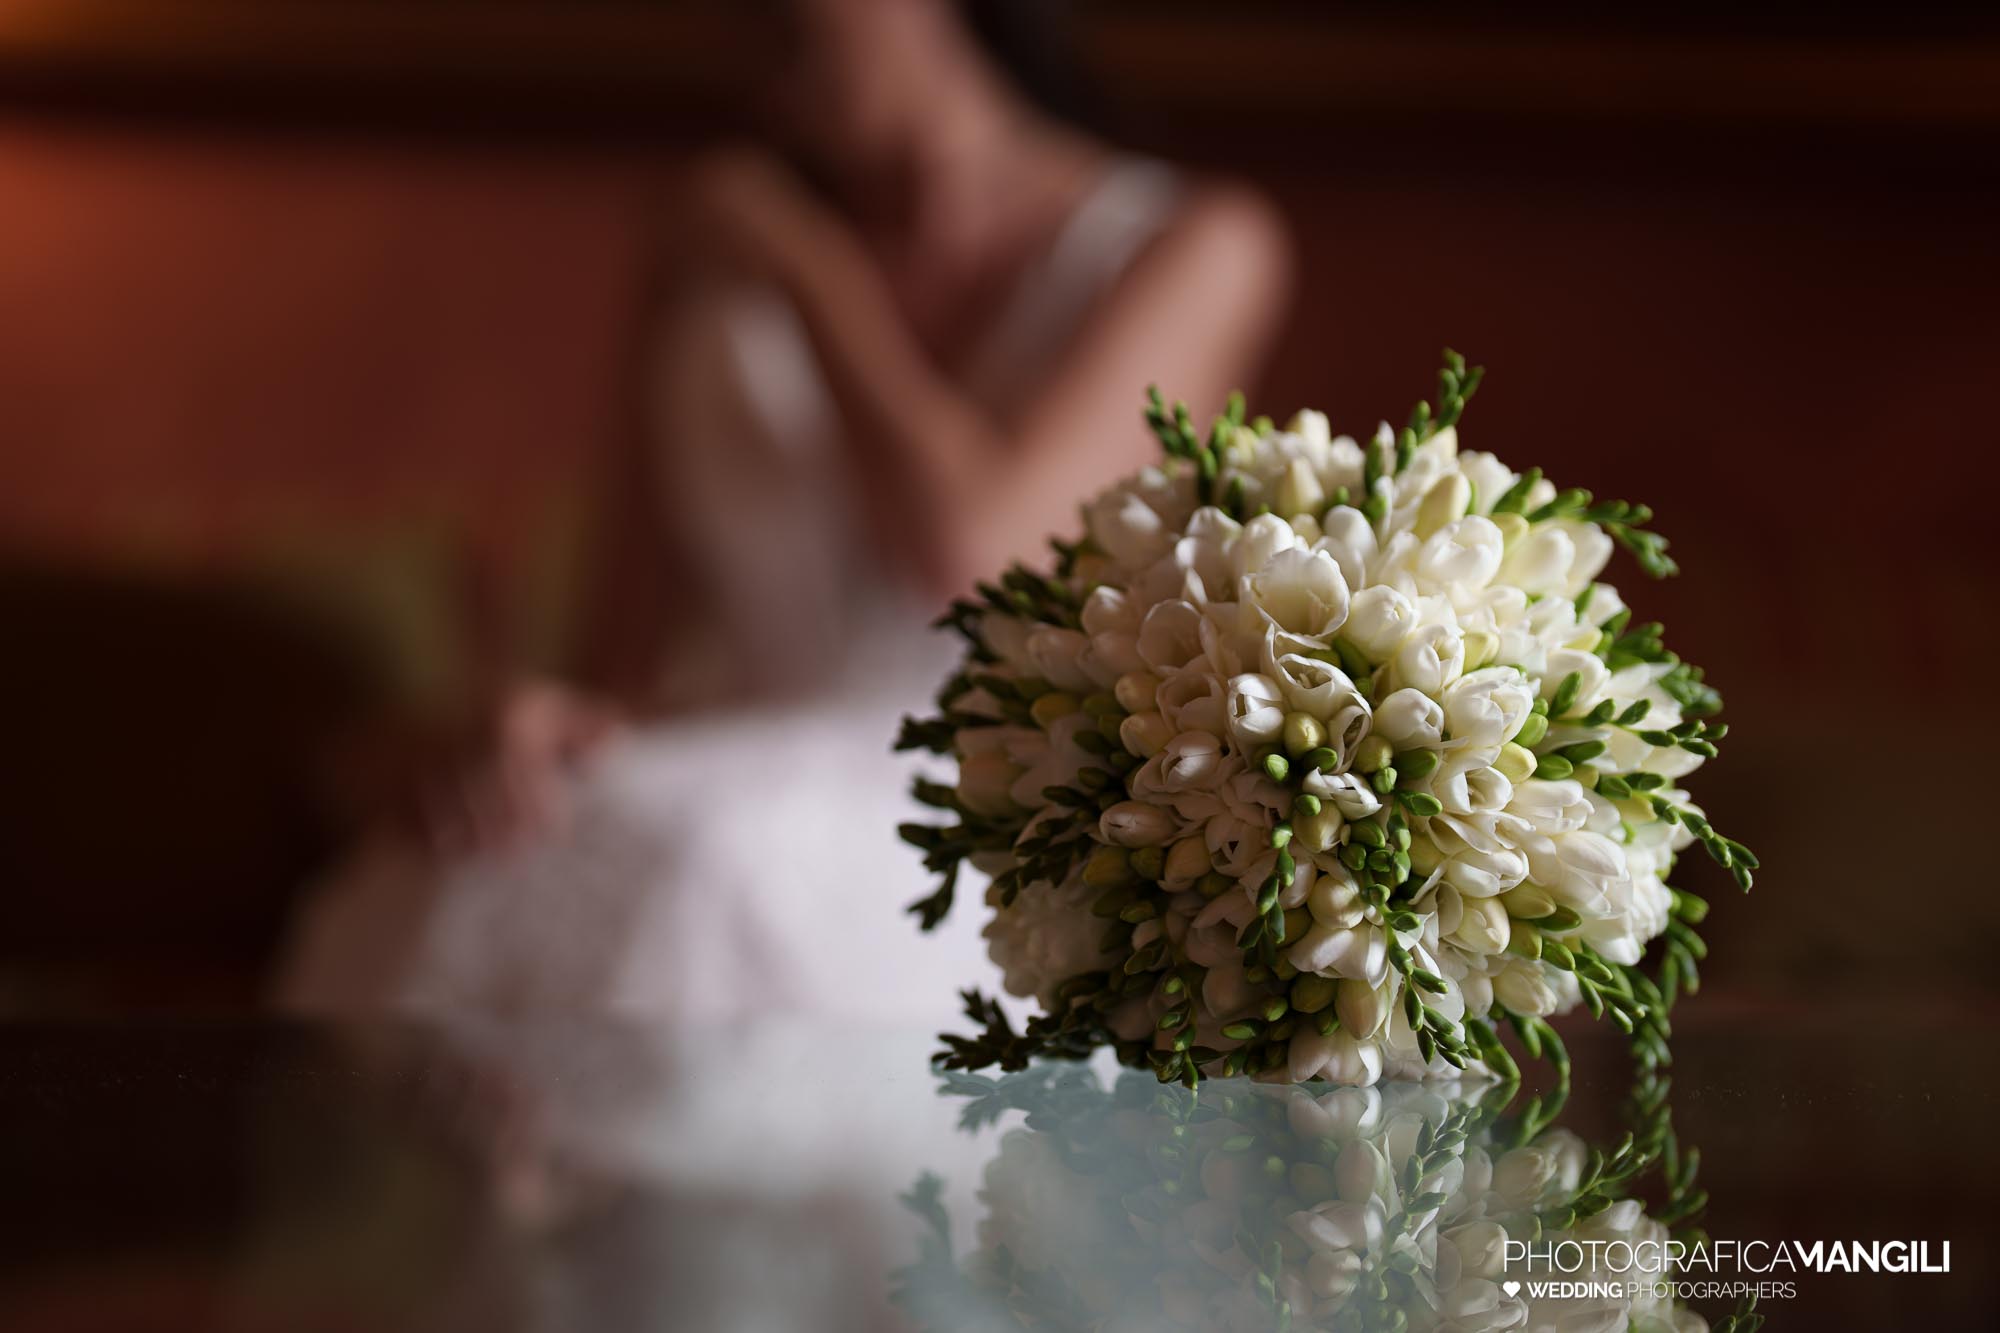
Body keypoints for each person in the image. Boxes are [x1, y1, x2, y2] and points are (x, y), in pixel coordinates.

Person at [278, 0, 1292, 1024]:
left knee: (714, 875)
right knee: (498, 872)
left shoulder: (1193, 244)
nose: (743, 33)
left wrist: (808, 272)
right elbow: (612, 661)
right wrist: (523, 733)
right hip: (706, 769)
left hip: (976, 820)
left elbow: (971, 554)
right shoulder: (700, 251)